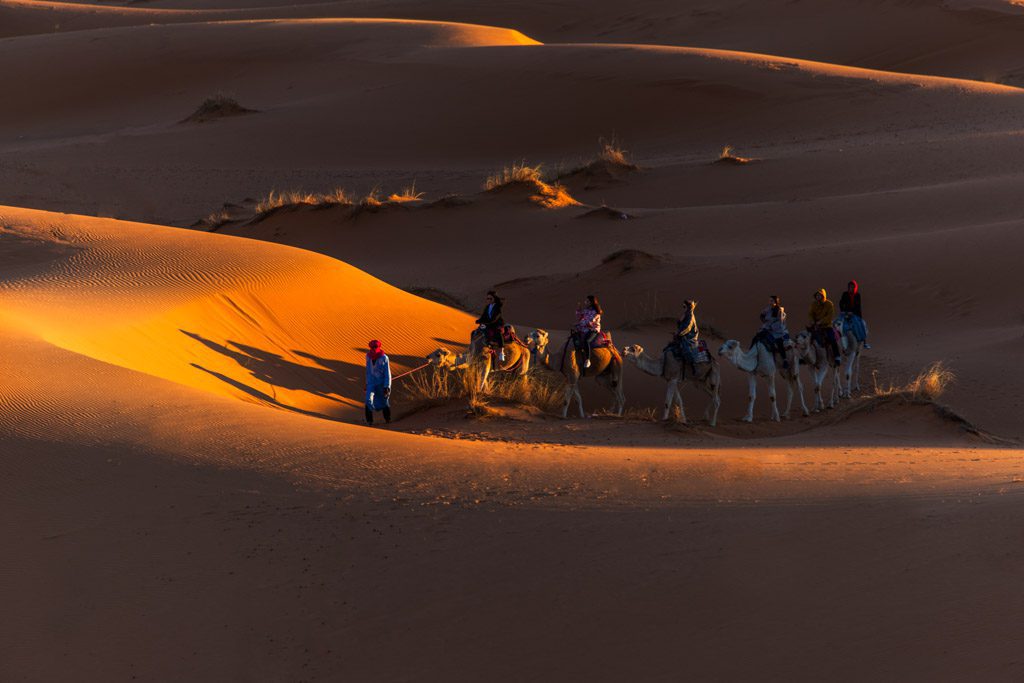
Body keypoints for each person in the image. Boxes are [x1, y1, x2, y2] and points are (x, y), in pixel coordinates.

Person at [754, 295, 790, 369]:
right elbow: (763, 315)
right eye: (769, 301)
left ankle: (785, 360)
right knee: (757, 337)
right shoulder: (768, 309)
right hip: (767, 328)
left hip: (777, 331)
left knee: (779, 343)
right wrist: (762, 318)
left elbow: (780, 322)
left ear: (776, 302)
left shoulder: (779, 310)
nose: (770, 302)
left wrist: (770, 327)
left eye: (772, 301)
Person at [808, 288, 841, 366]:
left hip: (826, 326)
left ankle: (837, 356)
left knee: (832, 339)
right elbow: (810, 314)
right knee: (807, 338)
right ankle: (806, 358)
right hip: (815, 325)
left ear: (823, 295)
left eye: (819, 295)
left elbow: (829, 316)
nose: (818, 297)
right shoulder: (814, 304)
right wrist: (812, 321)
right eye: (817, 295)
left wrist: (821, 322)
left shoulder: (829, 304)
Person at [365, 339, 392, 425]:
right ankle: (369, 421)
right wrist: (367, 383)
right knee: (368, 399)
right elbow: (368, 371)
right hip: (371, 383)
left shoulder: (384, 358)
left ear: (379, 347)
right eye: (372, 347)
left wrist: (387, 386)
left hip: (381, 383)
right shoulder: (368, 357)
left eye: (375, 347)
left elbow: (387, 373)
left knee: (384, 401)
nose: (373, 349)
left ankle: (388, 419)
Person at [839, 280, 871, 349]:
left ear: (855, 288)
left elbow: (858, 306)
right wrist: (844, 311)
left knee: (861, 325)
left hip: (855, 314)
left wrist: (853, 313)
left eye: (853, 287)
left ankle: (865, 342)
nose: (851, 288)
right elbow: (841, 303)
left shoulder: (857, 295)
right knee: (837, 324)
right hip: (845, 313)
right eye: (850, 287)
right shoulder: (845, 294)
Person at [475, 290, 505, 362]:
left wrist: (488, 322)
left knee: (498, 334)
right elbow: (484, 316)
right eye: (487, 298)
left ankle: (501, 353)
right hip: (487, 324)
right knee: (475, 332)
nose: (488, 300)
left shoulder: (497, 307)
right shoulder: (488, 307)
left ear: (494, 299)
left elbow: (496, 318)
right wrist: (479, 320)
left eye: (490, 298)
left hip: (496, 324)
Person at [574, 295, 602, 369]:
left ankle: (588, 360)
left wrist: (579, 323)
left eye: (587, 301)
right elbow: (580, 316)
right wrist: (579, 310)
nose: (585, 302)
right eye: (585, 301)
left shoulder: (596, 312)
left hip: (593, 329)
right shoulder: (586, 310)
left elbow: (590, 322)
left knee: (587, 341)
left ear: (591, 302)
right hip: (584, 328)